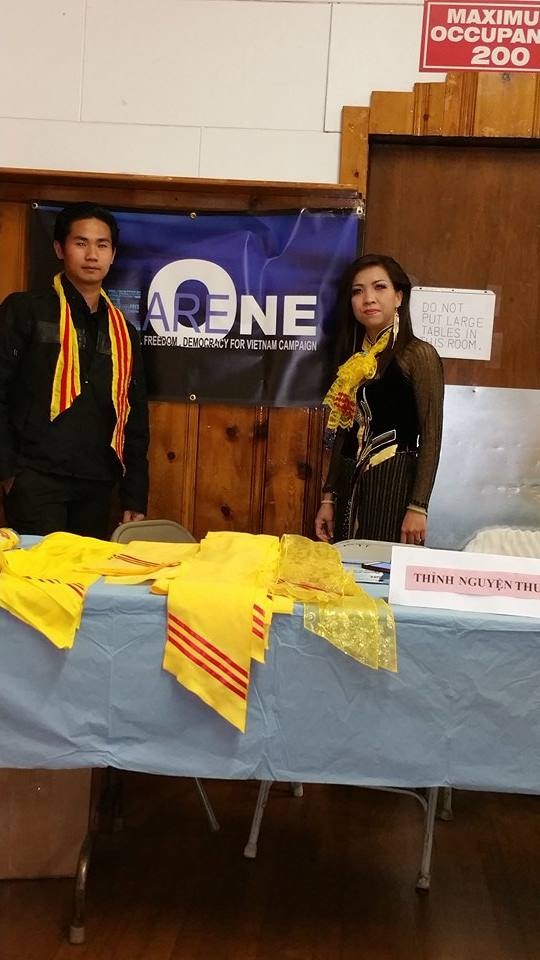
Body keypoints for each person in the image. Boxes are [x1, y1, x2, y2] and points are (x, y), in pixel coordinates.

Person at [0, 202, 149, 538]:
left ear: (113, 254)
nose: (92, 255)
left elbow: (135, 414)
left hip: (97, 484)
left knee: (86, 570)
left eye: (102, 245)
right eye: (81, 243)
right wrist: (8, 472)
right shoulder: (26, 311)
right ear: (59, 248)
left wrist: (134, 493)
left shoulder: (124, 332)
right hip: (35, 479)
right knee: (39, 571)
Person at [315, 253, 444, 546]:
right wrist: (328, 498)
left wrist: (418, 506)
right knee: (346, 566)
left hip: (395, 484)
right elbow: (344, 434)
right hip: (349, 487)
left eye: (380, 287)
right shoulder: (353, 362)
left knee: (383, 568)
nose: (368, 298)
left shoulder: (418, 354)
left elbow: (432, 435)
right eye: (357, 291)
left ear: (399, 297)